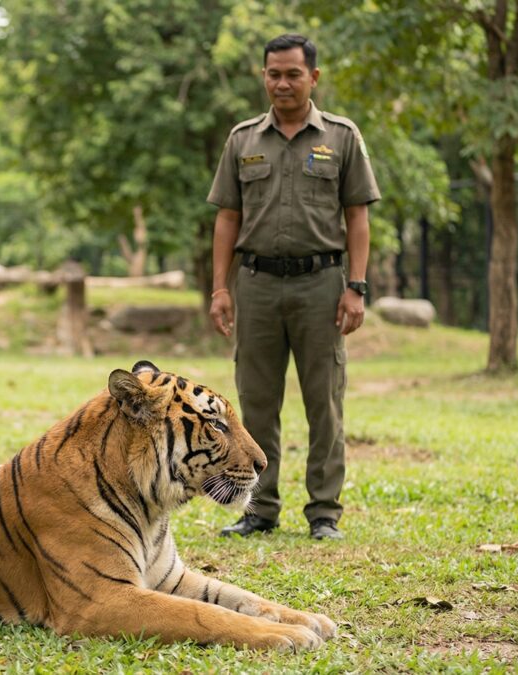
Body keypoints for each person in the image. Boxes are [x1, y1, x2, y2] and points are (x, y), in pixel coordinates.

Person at [206, 34, 379, 541]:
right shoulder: (242, 140)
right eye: (273, 74)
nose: (282, 83)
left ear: (314, 78)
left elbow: (358, 217)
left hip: (321, 286)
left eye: (293, 74)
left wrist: (356, 287)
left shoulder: (342, 137)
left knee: (324, 402)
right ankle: (259, 508)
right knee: (255, 404)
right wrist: (221, 289)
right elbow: (227, 219)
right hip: (257, 285)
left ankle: (324, 512)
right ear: (264, 76)